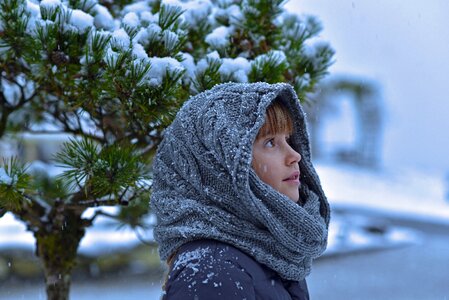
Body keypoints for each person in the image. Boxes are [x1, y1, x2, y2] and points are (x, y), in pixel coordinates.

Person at [151, 82, 330, 299]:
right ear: (221, 168)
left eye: (288, 139)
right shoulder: (213, 271)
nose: (295, 155)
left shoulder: (269, 252)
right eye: (271, 142)